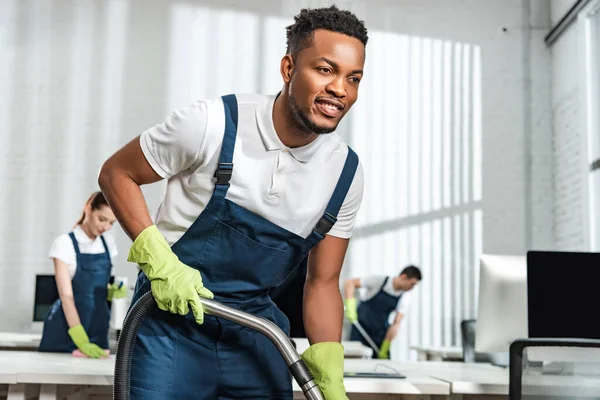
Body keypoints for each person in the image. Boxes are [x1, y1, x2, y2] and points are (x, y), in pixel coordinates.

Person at [97, 5, 367, 399]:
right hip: (170, 324)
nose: (340, 89)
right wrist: (159, 262)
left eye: (353, 77)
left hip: (255, 333)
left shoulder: (344, 172)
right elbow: (116, 173)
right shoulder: (213, 123)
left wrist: (329, 366)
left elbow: (323, 281)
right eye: (325, 70)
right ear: (289, 68)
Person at [38, 191, 126, 358]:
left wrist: (111, 291)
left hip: (98, 327)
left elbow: (98, 287)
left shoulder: (108, 244)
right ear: (88, 209)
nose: (105, 227)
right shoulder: (64, 244)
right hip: (67, 328)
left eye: (111, 223)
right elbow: (66, 296)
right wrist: (80, 338)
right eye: (102, 219)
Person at [344, 265, 422, 359]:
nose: (412, 288)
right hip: (360, 329)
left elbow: (396, 323)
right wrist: (350, 305)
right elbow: (350, 283)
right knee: (355, 362)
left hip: (379, 334)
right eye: (412, 284)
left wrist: (386, 345)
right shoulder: (378, 281)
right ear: (403, 277)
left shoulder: (405, 297)